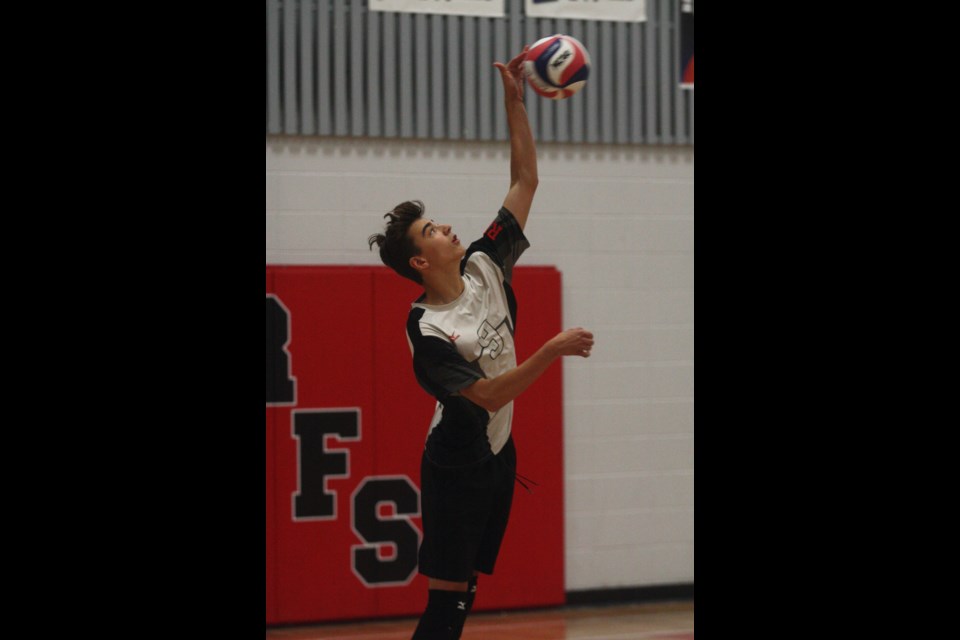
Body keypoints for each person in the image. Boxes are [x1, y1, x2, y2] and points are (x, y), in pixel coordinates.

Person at [368, 46, 595, 640]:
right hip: (457, 462)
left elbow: (525, 179)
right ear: (420, 260)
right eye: (432, 230)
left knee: (466, 594)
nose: (446, 226)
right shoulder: (428, 330)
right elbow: (487, 395)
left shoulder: (483, 265)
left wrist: (515, 103)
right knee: (447, 605)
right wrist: (550, 349)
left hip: (498, 454)